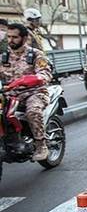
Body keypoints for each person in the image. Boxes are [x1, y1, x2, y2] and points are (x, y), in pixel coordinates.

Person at [0, 23, 53, 160]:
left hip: (33, 93)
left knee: (33, 111)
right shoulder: (3, 57)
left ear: (24, 38)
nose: (11, 40)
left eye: (15, 37)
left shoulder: (35, 54)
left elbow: (45, 73)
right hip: (9, 94)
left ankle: (41, 145)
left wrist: (34, 78)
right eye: (9, 37)